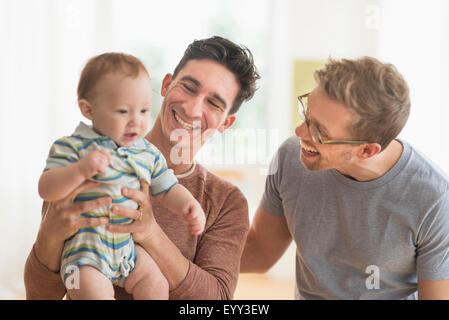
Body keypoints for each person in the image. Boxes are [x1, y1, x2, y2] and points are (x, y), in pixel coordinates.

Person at [24, 36, 260, 299]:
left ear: (225, 123)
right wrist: (51, 234)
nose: (193, 109)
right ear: (167, 85)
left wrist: (151, 234)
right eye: (189, 87)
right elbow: (39, 295)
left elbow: (216, 300)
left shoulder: (226, 202)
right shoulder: (84, 161)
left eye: (213, 103)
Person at [241, 56, 449, 300]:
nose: (299, 133)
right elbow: (261, 251)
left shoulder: (434, 201)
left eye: (320, 132)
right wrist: (186, 263)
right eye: (306, 115)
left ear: (366, 150)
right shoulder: (290, 158)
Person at [37, 52, 206, 299]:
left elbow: (168, 187)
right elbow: (46, 188)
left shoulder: (147, 153)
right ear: (88, 109)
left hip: (128, 251)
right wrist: (79, 170)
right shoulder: (72, 147)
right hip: (84, 256)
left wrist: (189, 205)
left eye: (144, 110)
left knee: (156, 285)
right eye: (123, 111)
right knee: (96, 293)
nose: (136, 121)